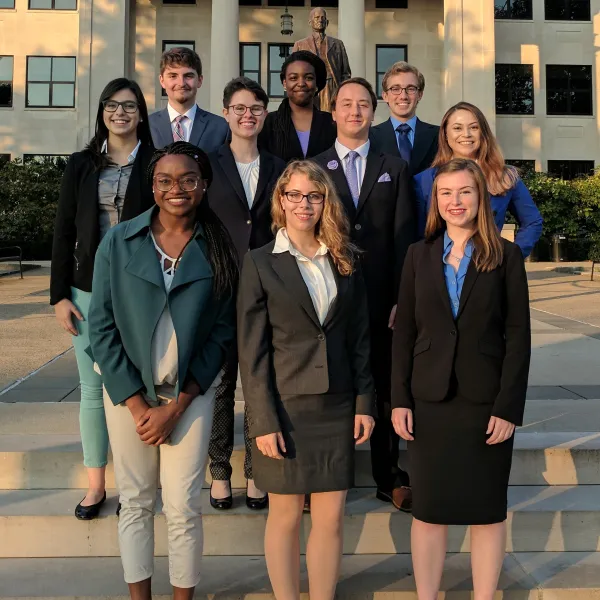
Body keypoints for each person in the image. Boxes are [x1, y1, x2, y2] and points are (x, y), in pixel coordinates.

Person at [88, 142, 238, 600]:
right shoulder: (119, 239)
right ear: (152, 186)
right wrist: (135, 403)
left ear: (204, 184)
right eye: (166, 180)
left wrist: (179, 405)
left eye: (189, 179)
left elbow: (222, 333)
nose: (178, 188)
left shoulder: (217, 246)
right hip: (128, 394)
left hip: (189, 395)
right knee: (134, 502)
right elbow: (101, 324)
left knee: (183, 507)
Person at [391, 158, 531, 600]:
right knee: (429, 511)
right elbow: (406, 333)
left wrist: (508, 408)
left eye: (464, 192)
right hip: (429, 402)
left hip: (485, 403)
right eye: (446, 193)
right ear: (436, 199)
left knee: (487, 512)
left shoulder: (505, 255)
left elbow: (518, 336)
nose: (455, 201)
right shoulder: (419, 255)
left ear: (481, 197)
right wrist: (399, 399)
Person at [238, 159, 375, 600]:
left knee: (331, 517)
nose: (304, 204)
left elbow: (359, 338)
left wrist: (364, 402)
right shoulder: (260, 262)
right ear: (280, 199)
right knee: (285, 516)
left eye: (313, 195)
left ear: (325, 201)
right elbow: (251, 351)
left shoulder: (344, 257)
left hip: (336, 405)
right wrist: (263, 420)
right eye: (294, 194)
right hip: (285, 408)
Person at [50, 77, 155, 520]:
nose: (120, 113)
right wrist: (59, 295)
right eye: (112, 105)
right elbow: (63, 231)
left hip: (141, 292)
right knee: (93, 391)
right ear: (101, 112)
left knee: (143, 388)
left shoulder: (156, 162)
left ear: (141, 114)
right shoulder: (80, 164)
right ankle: (96, 485)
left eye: (129, 106)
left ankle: (141, 486)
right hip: (88, 290)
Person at [313, 77, 415, 512]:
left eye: (363, 105)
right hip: (329, 298)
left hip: (380, 298)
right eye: (346, 104)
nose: (355, 111)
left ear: (374, 113)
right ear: (333, 112)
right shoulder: (314, 167)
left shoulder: (394, 166)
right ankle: (323, 473)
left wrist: (400, 298)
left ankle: (387, 475)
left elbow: (405, 238)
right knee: (330, 382)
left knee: (385, 382)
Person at [207, 77, 285, 511]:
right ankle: (220, 472)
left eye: (255, 108)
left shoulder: (279, 166)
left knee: (259, 384)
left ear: (264, 114)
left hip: (266, 289)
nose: (247, 115)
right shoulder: (208, 163)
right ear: (226, 113)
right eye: (239, 108)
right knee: (220, 385)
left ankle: (257, 473)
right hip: (219, 288)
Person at [413, 102, 543, 257]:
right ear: (445, 134)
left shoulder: (505, 176)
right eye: (457, 128)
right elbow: (418, 232)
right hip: (439, 269)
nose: (466, 134)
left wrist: (511, 257)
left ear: (483, 133)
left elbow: (532, 222)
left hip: (487, 267)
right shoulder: (425, 180)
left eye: (474, 127)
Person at [258, 50, 337, 163]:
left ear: (316, 84)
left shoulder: (332, 123)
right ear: (285, 83)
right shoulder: (267, 123)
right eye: (293, 78)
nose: (301, 83)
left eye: (308, 78)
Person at [150, 47, 229, 153]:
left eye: (188, 76)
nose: (181, 83)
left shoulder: (221, 127)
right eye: (173, 76)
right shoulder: (147, 127)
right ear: (162, 81)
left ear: (200, 80)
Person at [369, 61, 439, 177]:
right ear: (385, 96)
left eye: (410, 89)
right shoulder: (369, 136)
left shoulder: (438, 135)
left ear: (420, 94)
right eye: (395, 89)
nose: (403, 96)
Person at [292, 6, 351, 112]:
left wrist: (343, 91)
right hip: (309, 85)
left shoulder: (337, 44)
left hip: (331, 85)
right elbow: (292, 71)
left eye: (323, 18)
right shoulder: (300, 45)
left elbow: (345, 72)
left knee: (329, 119)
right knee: (309, 117)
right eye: (317, 17)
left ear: (327, 22)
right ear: (310, 22)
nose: (320, 20)